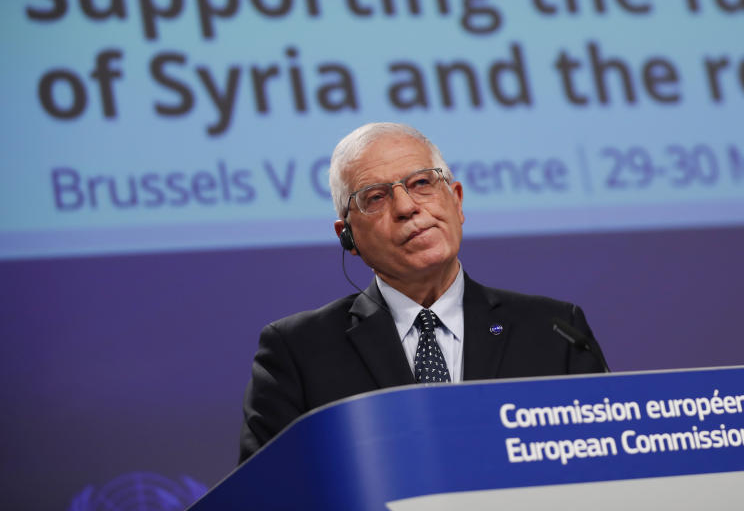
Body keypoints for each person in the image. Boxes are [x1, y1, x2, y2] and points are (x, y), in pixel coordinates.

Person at [239, 122, 606, 463]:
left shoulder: (556, 332)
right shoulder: (297, 352)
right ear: (347, 237)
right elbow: (266, 496)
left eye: (421, 183)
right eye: (376, 197)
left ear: (457, 200)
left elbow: (608, 469)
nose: (406, 207)